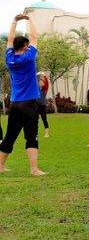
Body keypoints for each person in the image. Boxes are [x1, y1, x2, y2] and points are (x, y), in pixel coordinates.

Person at [0, 13, 47, 175]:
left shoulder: (9, 58)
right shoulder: (28, 57)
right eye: (27, 45)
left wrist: (14, 21)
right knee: (31, 136)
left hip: (14, 103)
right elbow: (34, 36)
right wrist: (30, 19)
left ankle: (0, 166)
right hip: (29, 104)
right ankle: (34, 169)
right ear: (25, 46)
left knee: (10, 136)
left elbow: (9, 40)